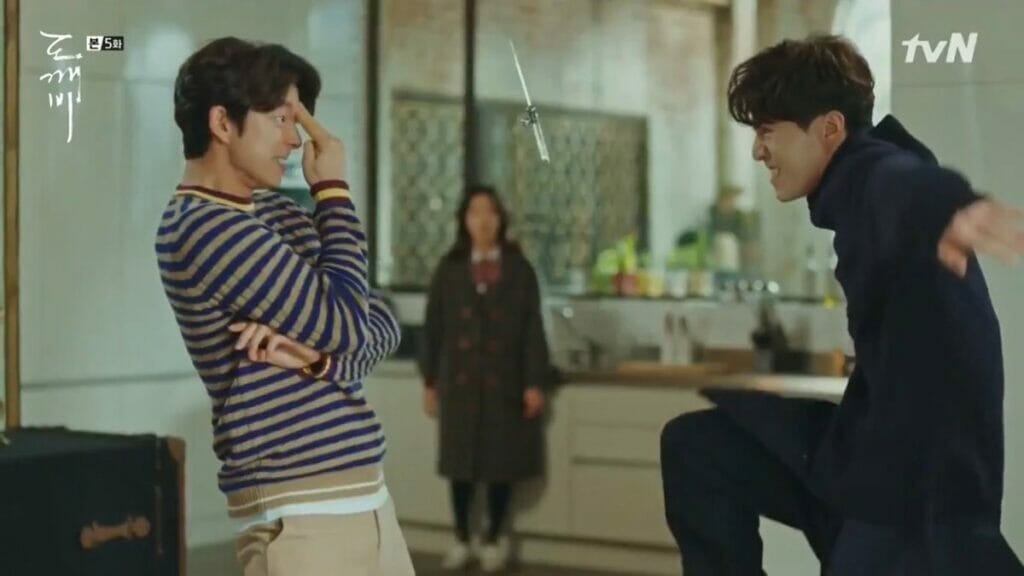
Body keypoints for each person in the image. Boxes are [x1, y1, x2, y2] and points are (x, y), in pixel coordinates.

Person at [660, 34, 1024, 575]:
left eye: (767, 131)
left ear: (830, 128)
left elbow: (904, 187)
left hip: (912, 506)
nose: (758, 151)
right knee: (695, 444)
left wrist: (950, 205)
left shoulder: (871, 176)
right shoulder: (857, 192)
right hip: (863, 464)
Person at [155, 37, 415, 576]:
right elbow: (349, 324)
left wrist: (317, 359)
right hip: (297, 514)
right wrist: (334, 190)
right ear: (222, 123)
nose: (296, 141)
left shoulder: (275, 210)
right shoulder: (203, 226)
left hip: (367, 499)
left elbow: (383, 317)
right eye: (280, 119)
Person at [419, 185, 551, 572]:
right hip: (459, 382)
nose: (483, 220)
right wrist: (430, 380)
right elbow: (433, 328)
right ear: (464, 220)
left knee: (500, 464)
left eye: (490, 212)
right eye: (475, 212)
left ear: (501, 219)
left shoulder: (519, 269)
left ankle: (495, 537)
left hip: (504, 382)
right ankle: (462, 537)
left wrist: (534, 382)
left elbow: (533, 329)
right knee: (459, 465)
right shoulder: (450, 267)